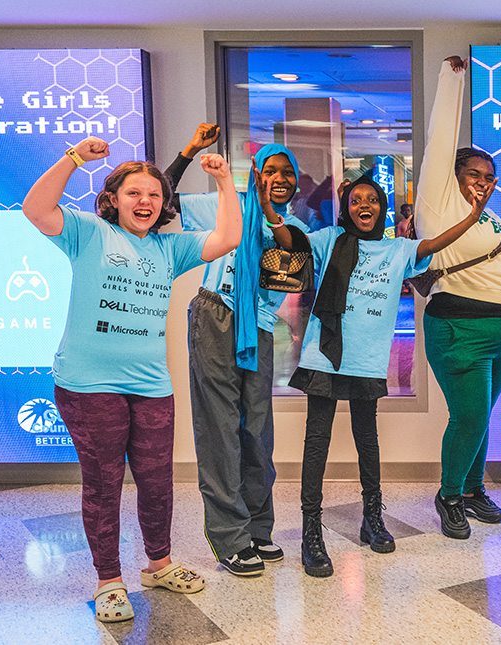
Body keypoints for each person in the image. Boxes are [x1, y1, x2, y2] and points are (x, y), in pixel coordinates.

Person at [20, 136, 242, 621]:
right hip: (87, 384)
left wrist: (225, 180)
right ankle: (108, 581)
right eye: (134, 193)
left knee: (158, 482)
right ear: (113, 199)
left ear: (163, 205)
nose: (145, 202)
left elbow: (227, 239)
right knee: (103, 485)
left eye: (154, 195)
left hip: (151, 386)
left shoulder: (170, 248)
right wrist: (74, 158)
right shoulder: (87, 232)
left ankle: (158, 564)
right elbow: (36, 208)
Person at [291, 172, 496, 576]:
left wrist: (474, 216)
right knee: (317, 443)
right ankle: (310, 531)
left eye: (371, 200)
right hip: (324, 355)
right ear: (346, 207)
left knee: (368, 440)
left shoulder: (398, 250)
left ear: (381, 208)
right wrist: (271, 212)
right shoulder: (329, 240)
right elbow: (288, 243)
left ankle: (372, 517)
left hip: (366, 359)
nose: (363, 206)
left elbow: (436, 243)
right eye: (355, 200)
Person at [164, 125, 309, 577]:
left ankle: (258, 527)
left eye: (287, 172)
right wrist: (188, 152)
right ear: (256, 173)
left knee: (257, 432)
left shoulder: (293, 226)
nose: (279, 177)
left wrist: (268, 211)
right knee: (219, 428)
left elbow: (293, 259)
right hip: (215, 315)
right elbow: (164, 203)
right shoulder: (224, 206)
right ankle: (230, 536)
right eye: (270, 170)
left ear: (297, 182)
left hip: (260, 329)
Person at [417, 55, 501, 540]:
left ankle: (473, 487)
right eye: (473, 173)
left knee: (482, 416)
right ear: (454, 177)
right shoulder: (439, 204)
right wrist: (453, 80)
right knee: (468, 416)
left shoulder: (490, 220)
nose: (483, 181)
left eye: (489, 175)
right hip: (459, 325)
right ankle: (448, 495)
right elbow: (442, 138)